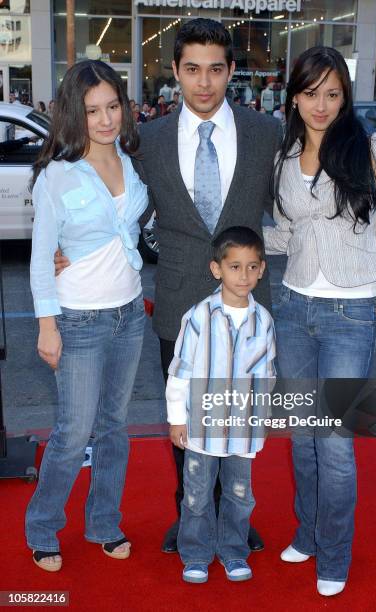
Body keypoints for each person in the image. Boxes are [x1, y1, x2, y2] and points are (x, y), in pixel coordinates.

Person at [264, 46, 376, 596]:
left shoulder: (371, 147)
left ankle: (333, 554)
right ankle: (309, 534)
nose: (321, 105)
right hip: (292, 306)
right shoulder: (284, 153)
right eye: (311, 93)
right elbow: (289, 234)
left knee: (333, 440)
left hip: (349, 312)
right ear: (294, 95)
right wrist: (229, 242)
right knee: (302, 436)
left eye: (332, 94)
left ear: (345, 96)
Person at [135, 18, 282, 554]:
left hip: (246, 302)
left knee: (237, 415)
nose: (204, 83)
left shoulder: (264, 133)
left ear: (231, 71)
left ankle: (232, 517)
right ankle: (189, 515)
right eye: (192, 70)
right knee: (185, 419)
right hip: (177, 300)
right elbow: (124, 204)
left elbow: (290, 204)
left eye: (215, 70)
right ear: (174, 71)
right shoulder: (146, 139)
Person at [25, 60, 148, 572]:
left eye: (113, 106)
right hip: (77, 319)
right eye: (93, 110)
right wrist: (46, 326)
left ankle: (103, 522)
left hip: (130, 313)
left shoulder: (131, 158)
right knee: (73, 432)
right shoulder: (56, 175)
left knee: (115, 427)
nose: (105, 119)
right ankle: (42, 526)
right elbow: (40, 256)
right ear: (75, 114)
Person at [166, 226, 276, 583]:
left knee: (240, 496)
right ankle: (196, 554)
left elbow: (267, 375)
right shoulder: (199, 317)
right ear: (217, 269)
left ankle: (233, 551)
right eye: (234, 267)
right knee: (196, 497)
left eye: (251, 267)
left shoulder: (264, 321)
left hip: (243, 430)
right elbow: (179, 370)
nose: (243, 275)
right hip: (201, 429)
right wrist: (176, 418)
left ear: (261, 269)